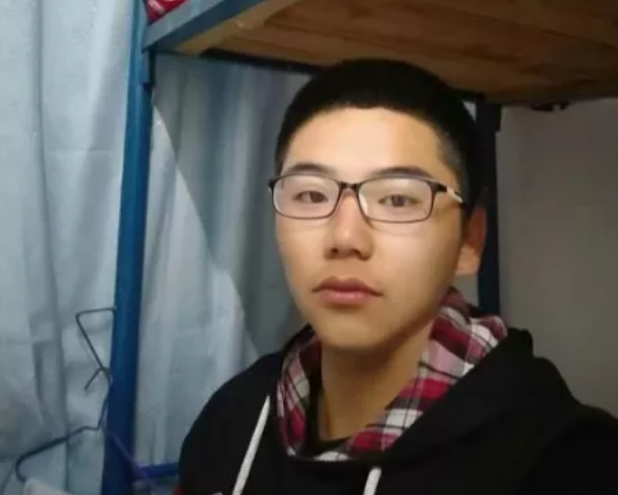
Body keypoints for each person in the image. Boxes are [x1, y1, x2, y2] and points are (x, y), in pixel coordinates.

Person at [177, 58, 618, 495]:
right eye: (311, 194)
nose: (345, 238)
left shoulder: (565, 463)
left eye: (398, 200)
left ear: (469, 241)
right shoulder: (233, 418)